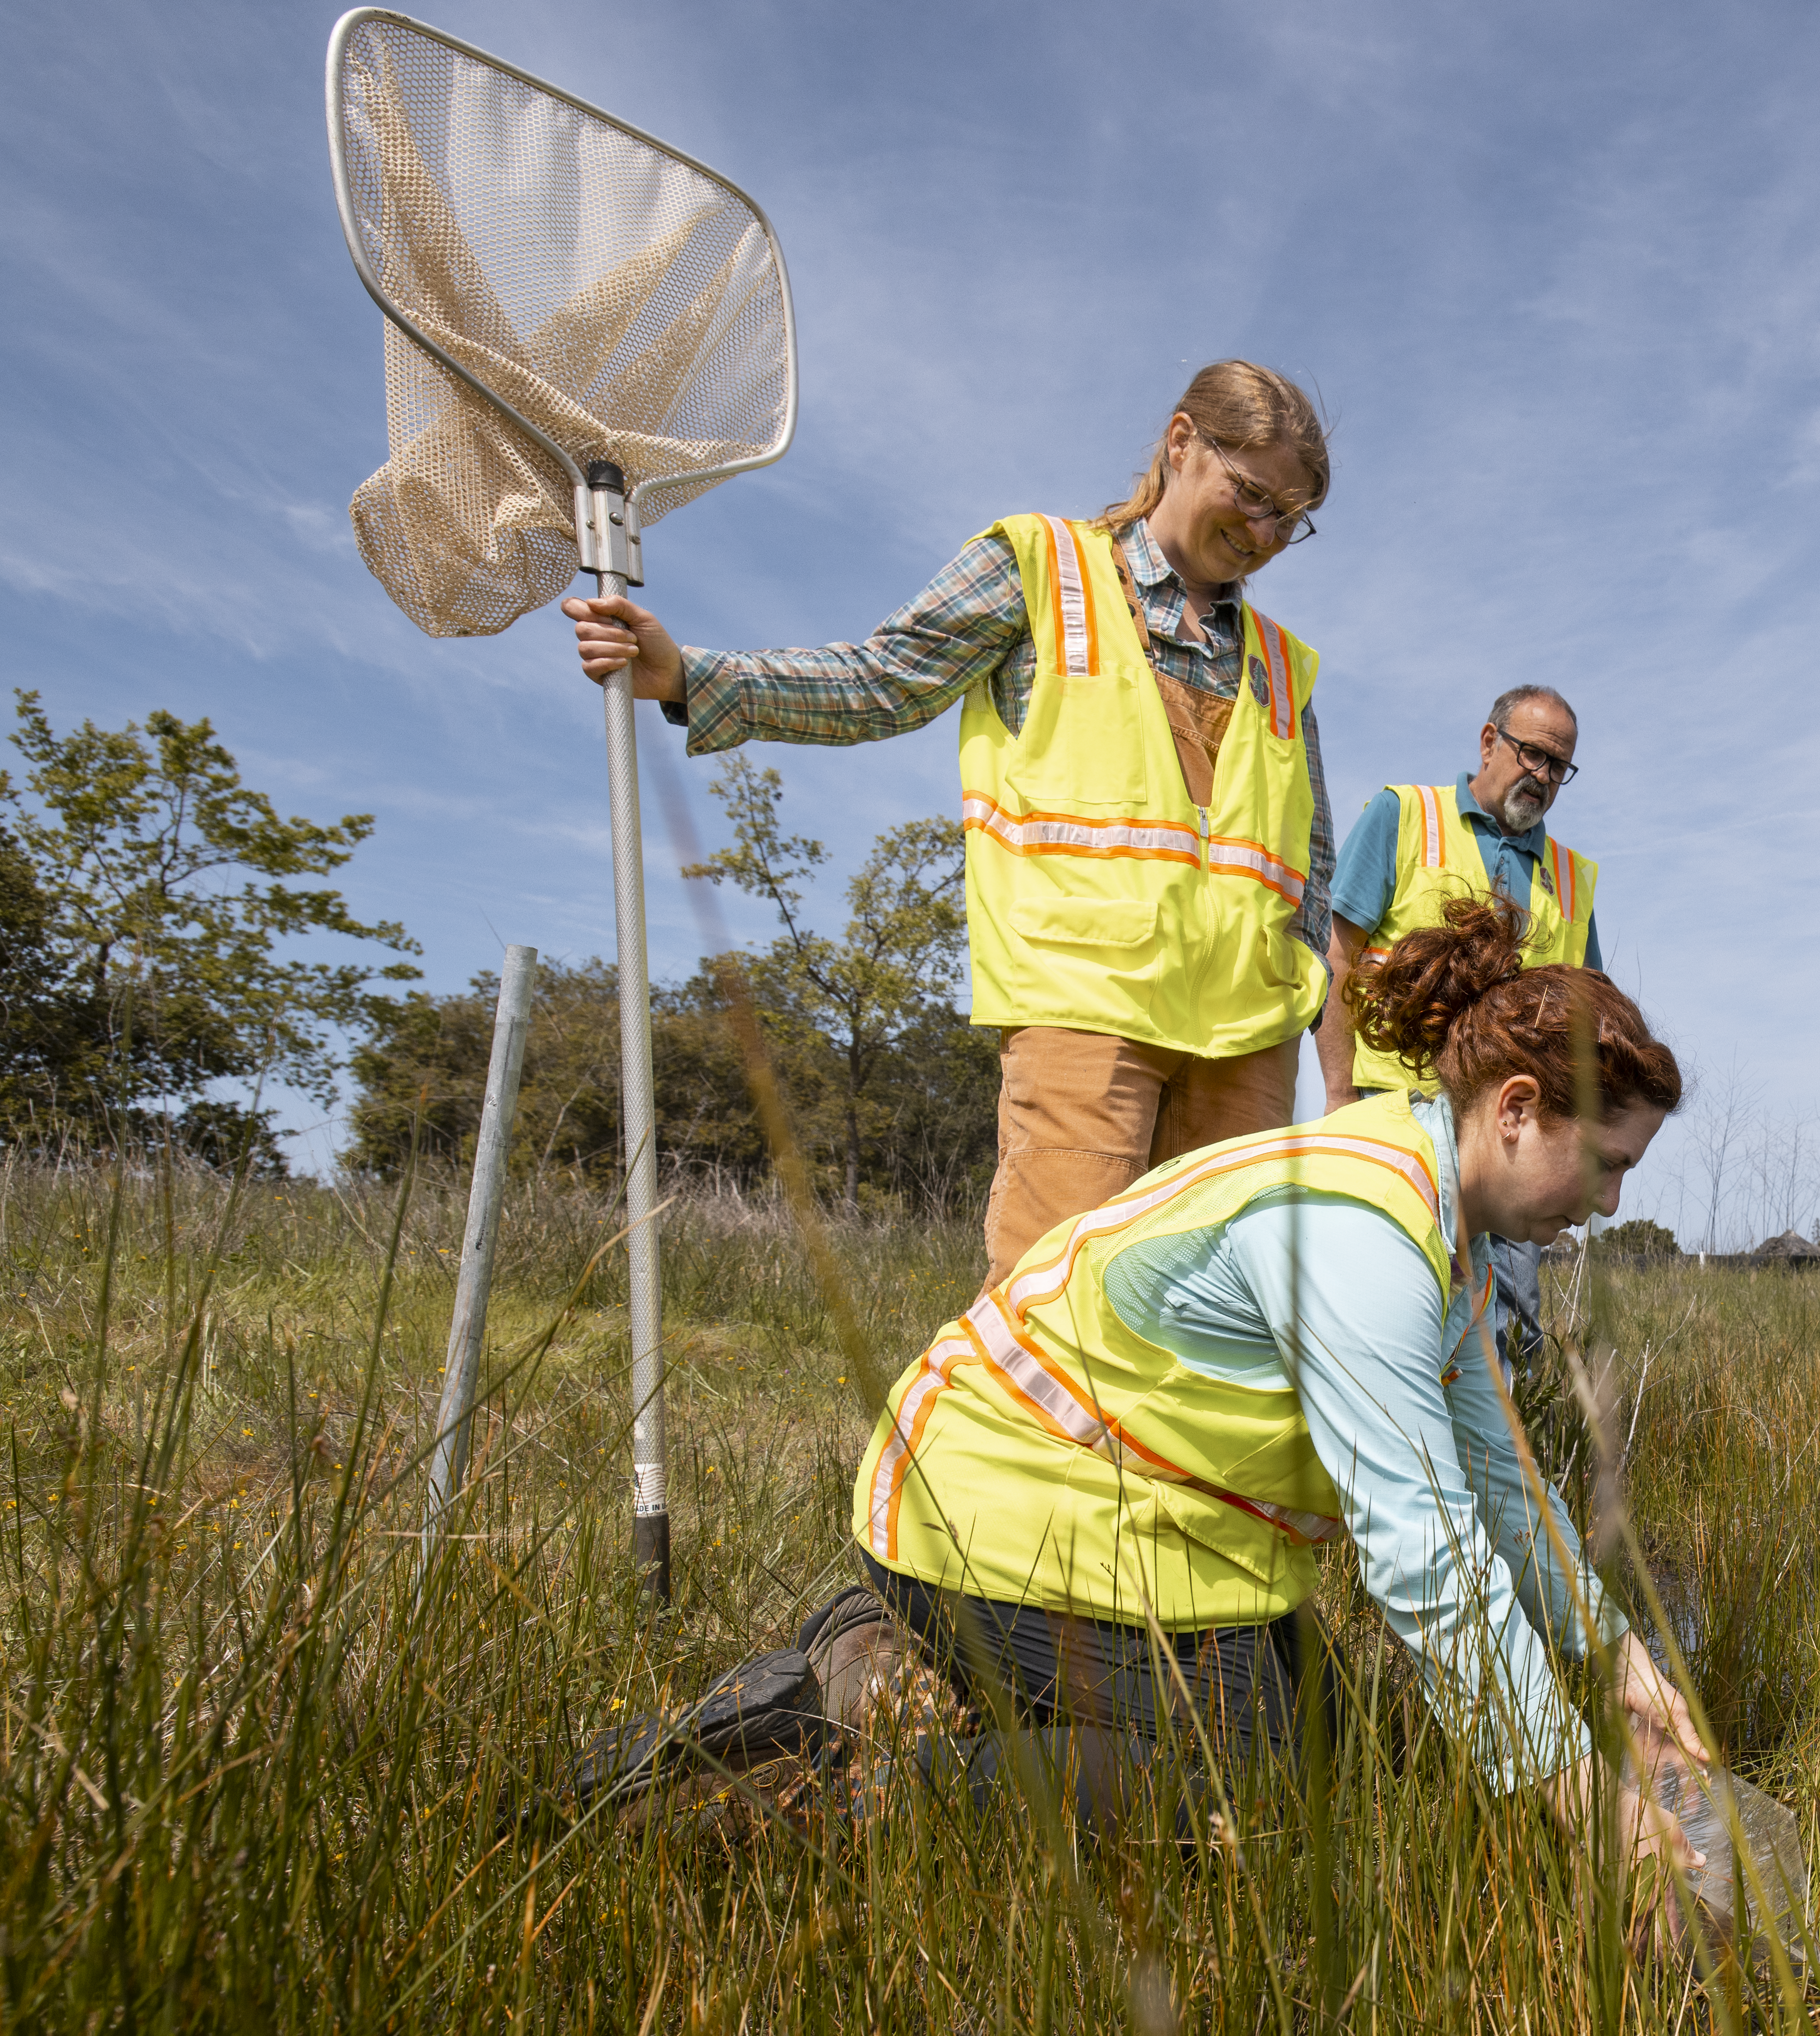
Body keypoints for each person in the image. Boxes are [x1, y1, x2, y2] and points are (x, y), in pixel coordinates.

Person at [815, 897, 1707, 1857]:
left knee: (1329, 1742)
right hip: (983, 1524)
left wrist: (1613, 1652)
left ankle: (918, 1673)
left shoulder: (1443, 1237)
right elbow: (1423, 1553)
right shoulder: (1361, 1233)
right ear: (1520, 1109)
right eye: (1608, 1164)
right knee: (1253, 1792)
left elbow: (1496, 1484)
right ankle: (855, 1790)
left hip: (1133, 1532)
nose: (1611, 1204)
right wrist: (1593, 1809)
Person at [565, 360, 1339, 1288]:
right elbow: (880, 681)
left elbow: (1310, 859)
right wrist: (692, 679)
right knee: (1056, 1304)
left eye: (1288, 519)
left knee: (1217, 1318)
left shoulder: (1284, 667)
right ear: (1181, 444)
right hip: (1087, 1008)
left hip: (1246, 1040)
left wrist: (1299, 994)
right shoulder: (1040, 569)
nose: (1262, 533)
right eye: (1249, 494)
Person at [1315, 685, 1602, 1355]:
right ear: (1487, 742)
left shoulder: (1571, 877)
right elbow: (1338, 959)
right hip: (1395, 1115)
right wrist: (1336, 1096)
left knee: (1505, 1329)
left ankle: (1495, 1456)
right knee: (1389, 1306)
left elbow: (1586, 1023)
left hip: (1513, 1140)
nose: (1543, 776)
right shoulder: (1402, 816)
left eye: (1559, 766)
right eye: (1532, 753)